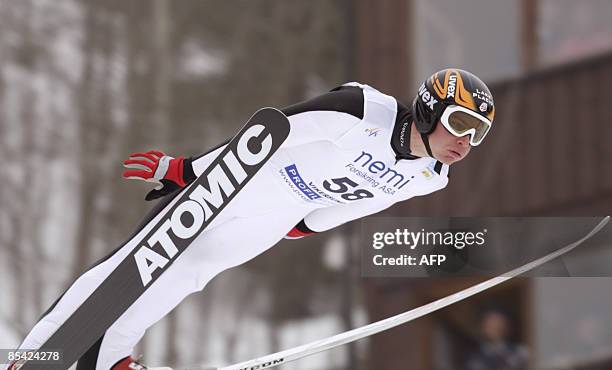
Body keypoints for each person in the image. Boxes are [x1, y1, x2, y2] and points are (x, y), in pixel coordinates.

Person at [8, 68, 495, 370]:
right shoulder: (360, 111)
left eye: (478, 134)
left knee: (184, 279)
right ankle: (34, 359)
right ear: (430, 112)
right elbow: (267, 136)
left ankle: (108, 358)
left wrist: (306, 225)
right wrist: (189, 171)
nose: (465, 142)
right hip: (236, 189)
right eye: (460, 125)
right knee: (136, 268)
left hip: (271, 221)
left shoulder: (431, 176)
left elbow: (362, 205)